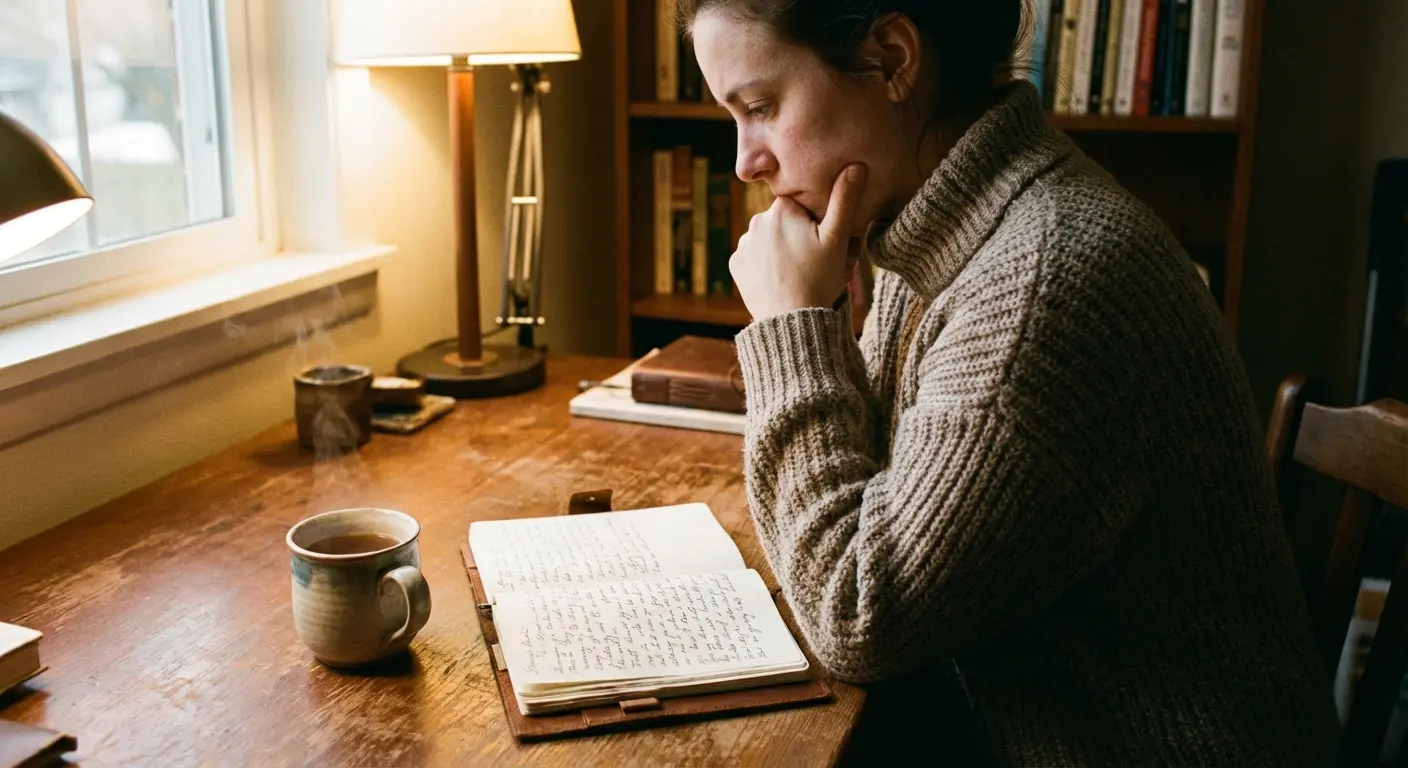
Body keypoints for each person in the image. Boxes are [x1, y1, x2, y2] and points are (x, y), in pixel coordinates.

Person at [679, 0, 1343, 764]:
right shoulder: (939, 230)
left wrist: (791, 326)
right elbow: (876, 511)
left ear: (893, 59)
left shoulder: (1047, 281)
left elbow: (856, 611)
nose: (744, 161)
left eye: (760, 107)